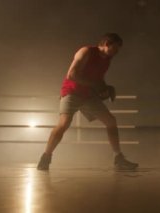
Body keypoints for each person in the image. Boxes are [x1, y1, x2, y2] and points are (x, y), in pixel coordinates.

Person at [37, 33, 138, 171]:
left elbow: (98, 79)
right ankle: (46, 157)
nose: (116, 53)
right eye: (114, 49)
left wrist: (106, 88)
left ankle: (118, 158)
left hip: (88, 95)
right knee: (64, 123)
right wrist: (95, 85)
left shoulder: (107, 60)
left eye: (117, 50)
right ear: (106, 44)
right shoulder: (86, 51)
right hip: (71, 92)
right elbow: (71, 75)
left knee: (111, 121)